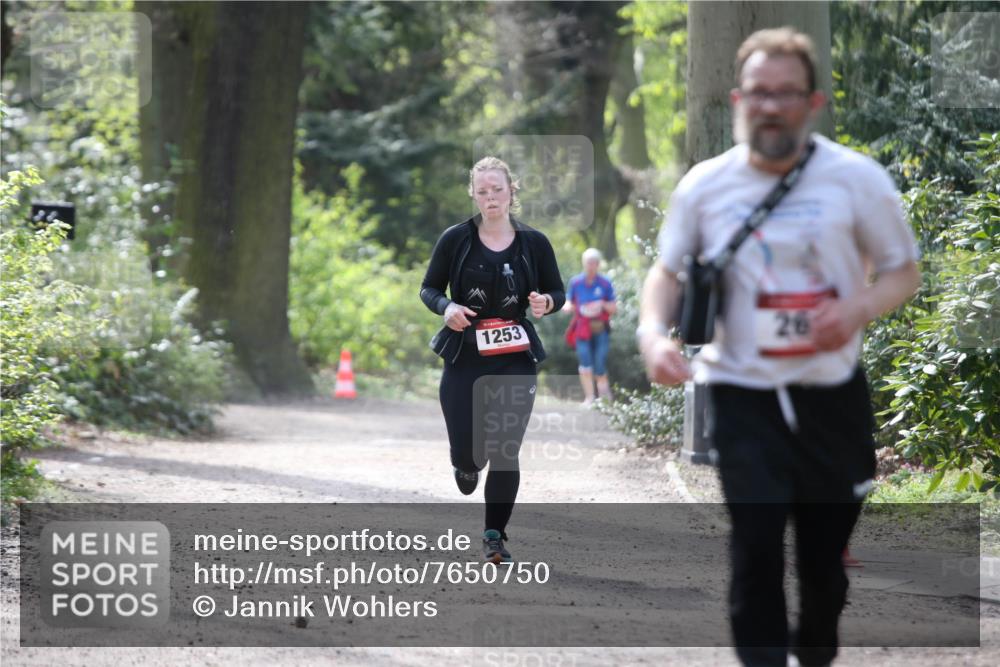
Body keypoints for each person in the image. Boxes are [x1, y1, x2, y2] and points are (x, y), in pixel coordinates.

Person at [637, 28, 921, 667]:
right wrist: (653, 334)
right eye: (759, 93)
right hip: (742, 393)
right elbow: (669, 273)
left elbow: (904, 271)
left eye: (786, 93)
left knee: (824, 564)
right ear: (740, 99)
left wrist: (857, 307)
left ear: (813, 101)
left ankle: (815, 649)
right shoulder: (705, 186)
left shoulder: (856, 180)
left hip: (831, 396)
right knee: (756, 548)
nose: (771, 106)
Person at [420, 156, 565, 564]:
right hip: (465, 354)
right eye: (482, 192)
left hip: (515, 356)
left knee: (505, 448)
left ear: (512, 191)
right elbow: (429, 288)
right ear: (473, 194)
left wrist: (546, 301)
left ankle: (494, 537)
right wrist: (446, 307)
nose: (490, 198)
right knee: (468, 455)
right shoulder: (456, 239)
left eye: (497, 190)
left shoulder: (534, 242)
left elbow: (558, 291)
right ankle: (464, 464)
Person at [563, 248, 617, 404]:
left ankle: (605, 399)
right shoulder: (576, 282)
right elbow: (569, 302)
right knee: (585, 363)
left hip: (601, 329)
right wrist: (566, 306)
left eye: (594, 263)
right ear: (583, 263)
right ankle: (590, 398)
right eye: (588, 263)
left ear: (598, 264)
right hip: (582, 328)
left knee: (599, 363)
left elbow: (614, 307)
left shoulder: (605, 283)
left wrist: (601, 304)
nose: (591, 266)